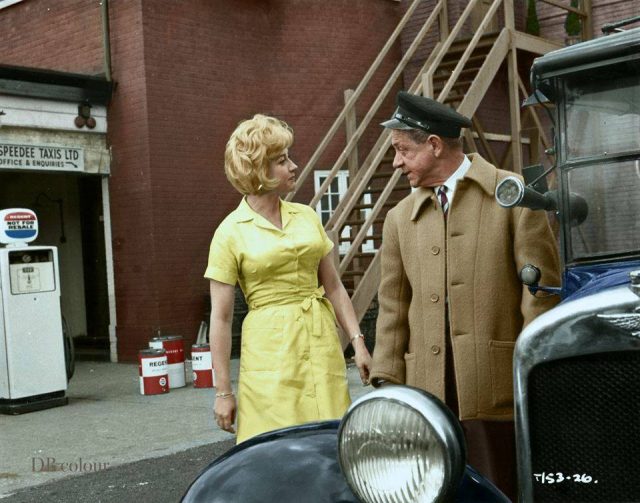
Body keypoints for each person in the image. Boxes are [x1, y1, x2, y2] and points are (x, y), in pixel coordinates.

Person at [369, 91, 560, 499]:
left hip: (497, 390)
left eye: (403, 151)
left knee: (500, 489)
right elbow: (393, 307)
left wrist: (532, 372)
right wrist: (388, 383)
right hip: (426, 394)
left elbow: (540, 295)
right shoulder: (400, 219)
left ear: (434, 145)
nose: (396, 162)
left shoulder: (514, 196)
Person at [204, 114, 372, 444]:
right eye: (281, 161)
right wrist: (223, 391)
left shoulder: (307, 217)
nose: (293, 166)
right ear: (257, 170)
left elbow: (334, 286)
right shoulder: (229, 233)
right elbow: (221, 319)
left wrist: (358, 342)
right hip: (270, 354)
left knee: (329, 440)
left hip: (320, 342)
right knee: (274, 447)